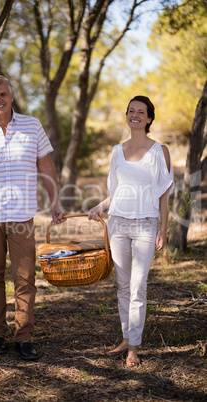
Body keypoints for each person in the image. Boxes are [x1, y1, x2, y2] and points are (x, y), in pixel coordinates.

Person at [0, 75, 64, 361]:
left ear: (12, 96)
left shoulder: (32, 126)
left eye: (3, 94)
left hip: (22, 214)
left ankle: (24, 335)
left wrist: (55, 201)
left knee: (25, 276)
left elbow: (45, 166)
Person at [88, 95, 174, 367]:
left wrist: (164, 227)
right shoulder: (116, 151)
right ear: (126, 116)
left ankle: (134, 348)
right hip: (118, 223)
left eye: (141, 112)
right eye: (131, 111)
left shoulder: (160, 150)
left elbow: (164, 194)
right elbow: (116, 192)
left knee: (138, 285)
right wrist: (99, 206)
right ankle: (127, 338)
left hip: (146, 225)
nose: (135, 115)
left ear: (149, 118)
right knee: (123, 285)